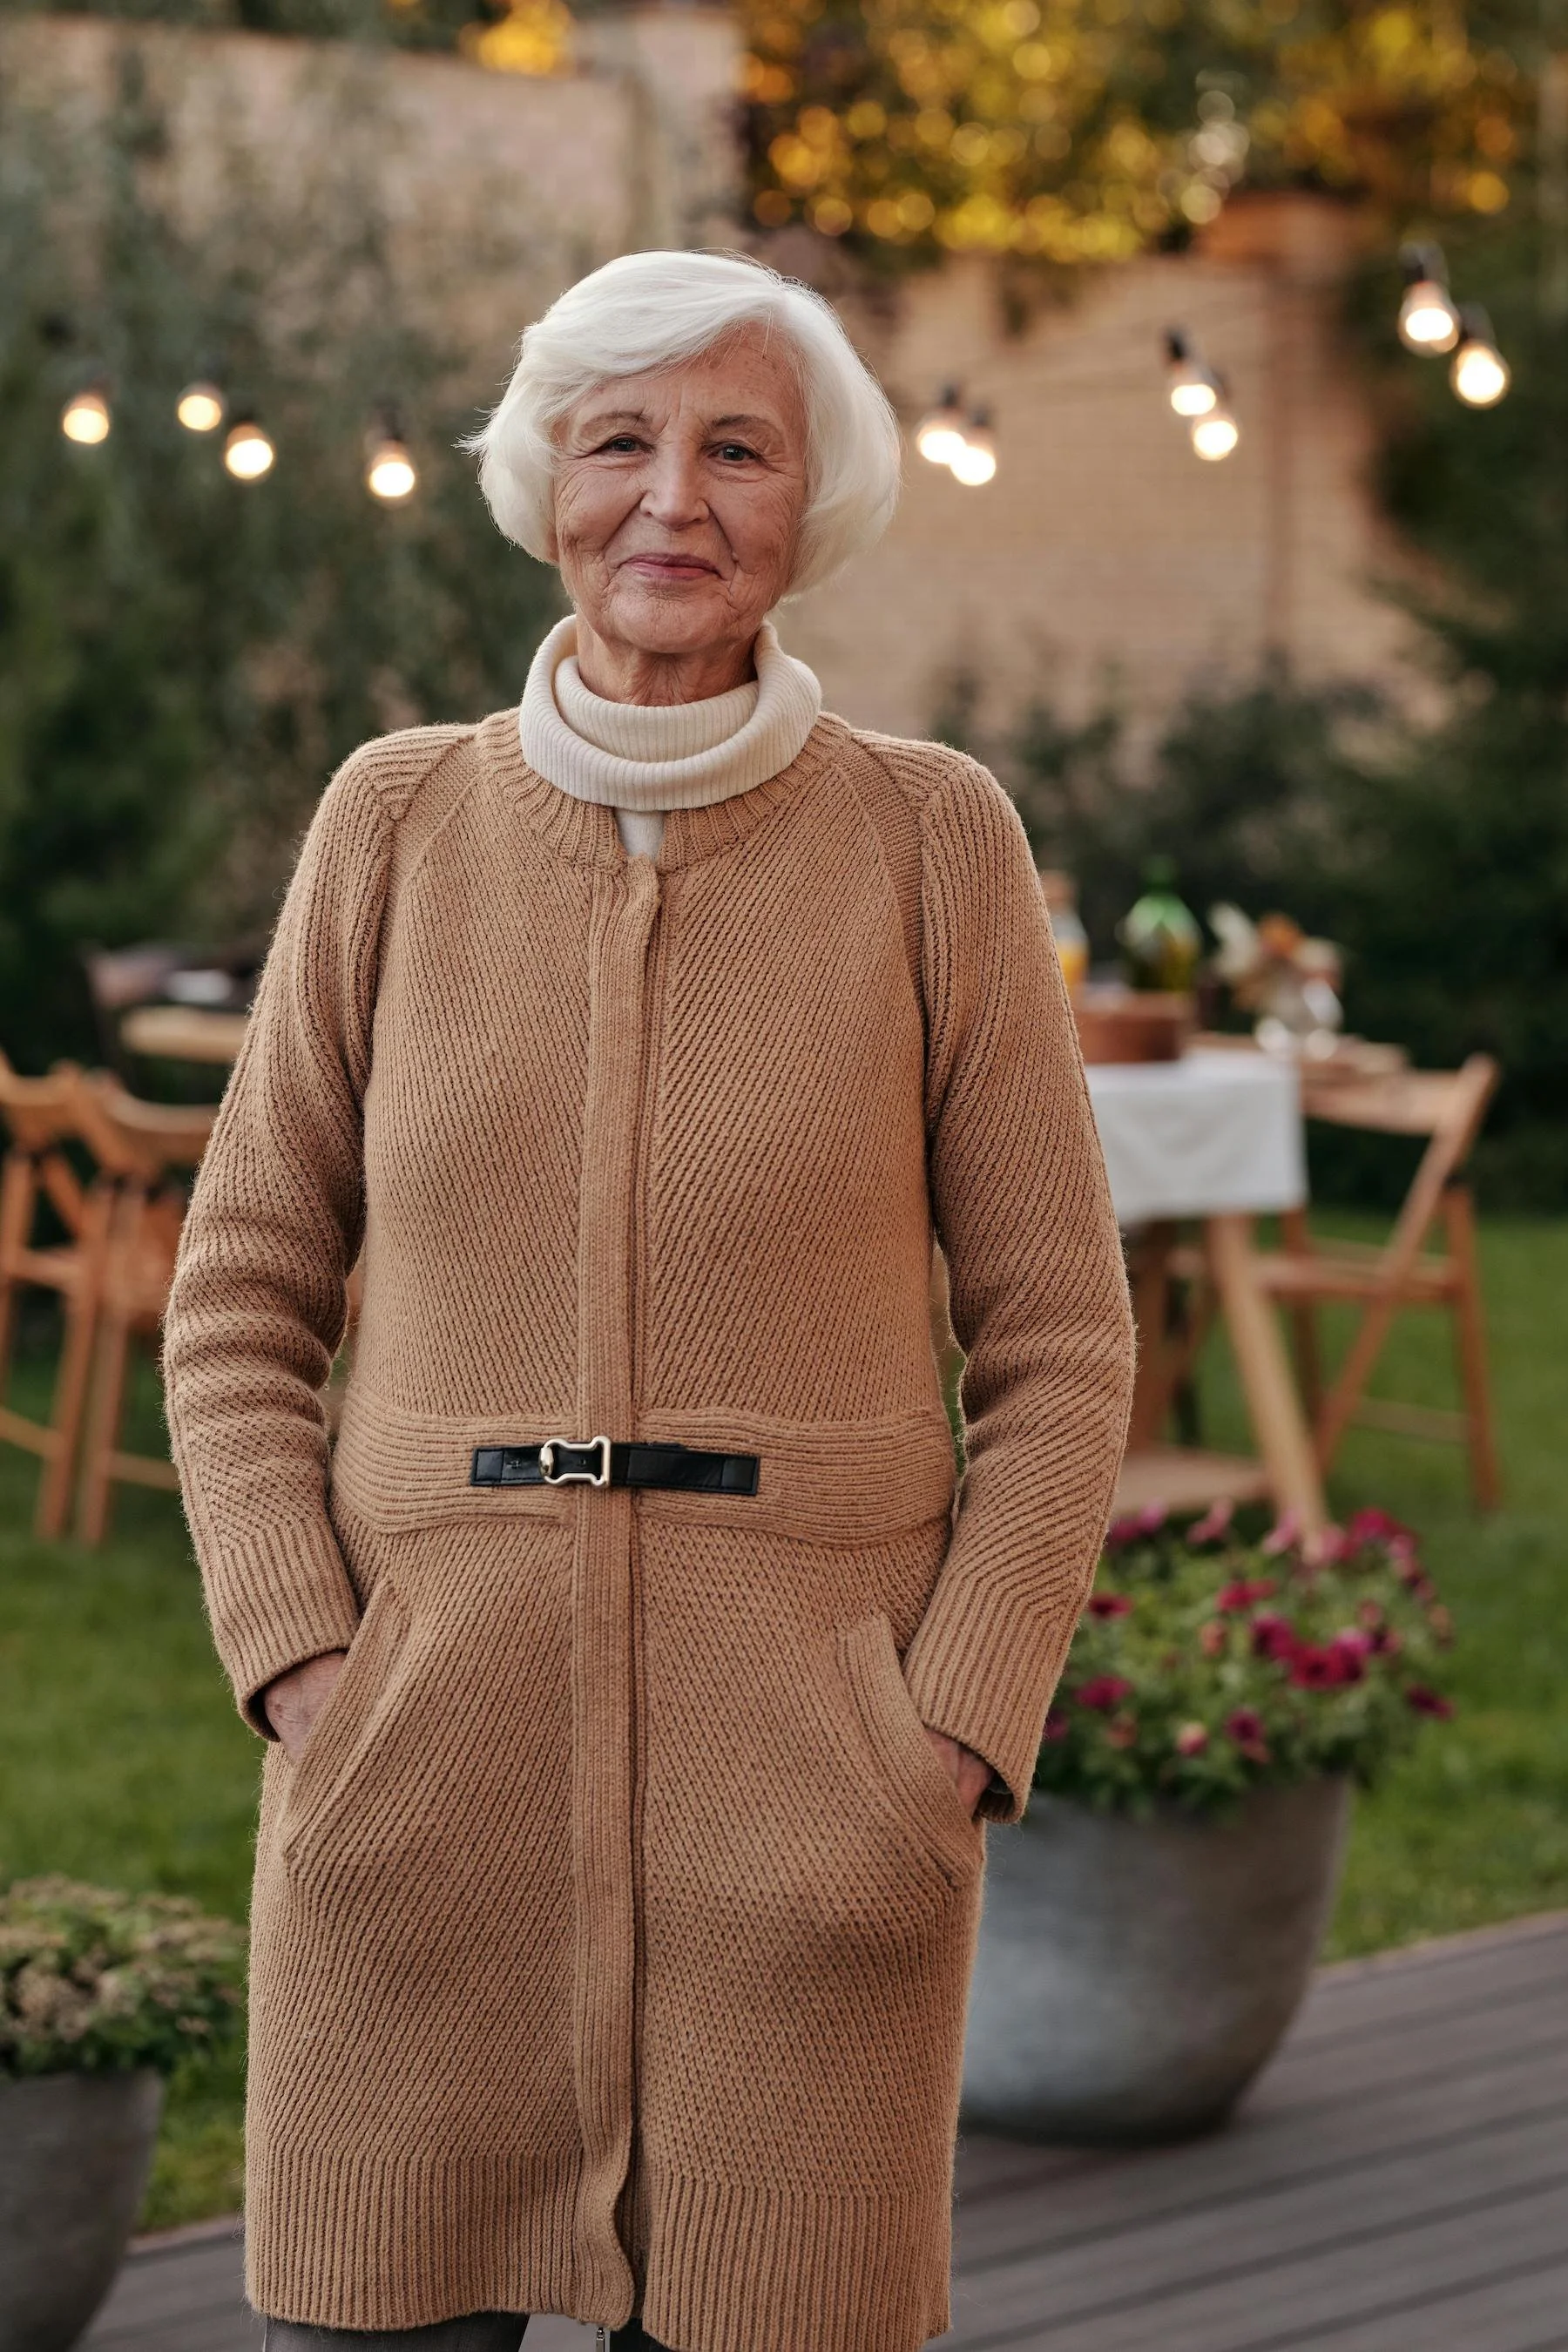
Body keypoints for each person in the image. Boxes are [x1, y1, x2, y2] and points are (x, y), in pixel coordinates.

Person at [164, 248, 1135, 2352]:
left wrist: (954, 1725)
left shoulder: (930, 841)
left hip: (815, 1812)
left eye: (736, 448)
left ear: (812, 506)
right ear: (546, 479)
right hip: (415, 1785)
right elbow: (239, 1289)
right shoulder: (395, 821)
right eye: (620, 440)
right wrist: (304, 1662)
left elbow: (1061, 1347)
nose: (671, 500)